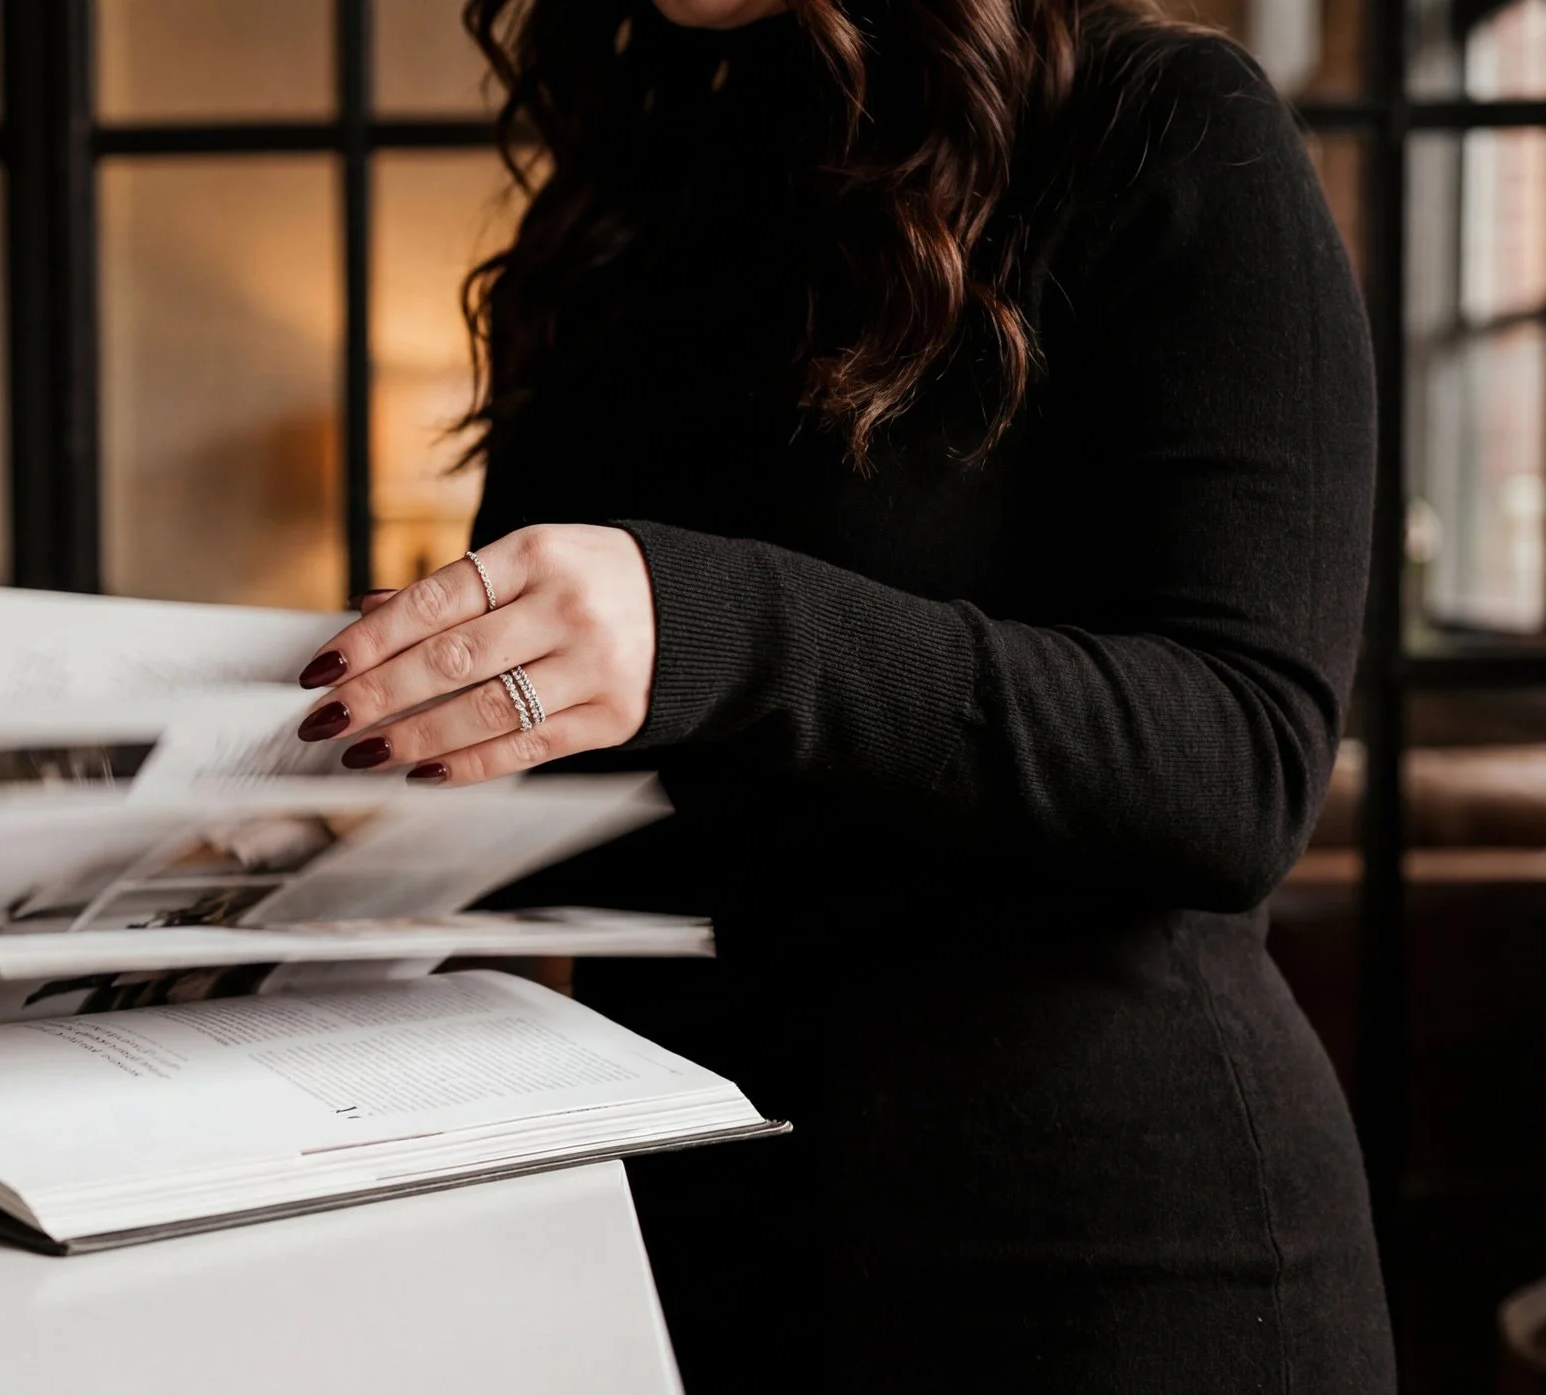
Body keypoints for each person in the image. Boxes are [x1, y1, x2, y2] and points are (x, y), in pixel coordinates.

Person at [291, 0, 1391, 1388]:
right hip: (696, 1254)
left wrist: (722, 625)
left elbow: (1244, 765)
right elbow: (568, 796)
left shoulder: (1162, 120)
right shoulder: (614, 211)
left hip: (1111, 1272)